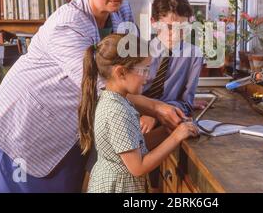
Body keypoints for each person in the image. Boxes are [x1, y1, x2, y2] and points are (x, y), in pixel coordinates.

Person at [0, 0, 183, 193]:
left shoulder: (121, 11)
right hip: (24, 125)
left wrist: (156, 106)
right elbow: (105, 87)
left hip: (70, 131)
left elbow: (132, 65)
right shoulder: (67, 25)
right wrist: (156, 107)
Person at [80, 34, 199, 193]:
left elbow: (135, 145)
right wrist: (176, 137)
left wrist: (167, 131)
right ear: (121, 72)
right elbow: (138, 167)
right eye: (144, 69)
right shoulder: (117, 111)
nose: (149, 76)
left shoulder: (118, 101)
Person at [140, 0, 204, 134]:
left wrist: (156, 114)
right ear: (154, 23)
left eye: (182, 28)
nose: (175, 34)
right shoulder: (139, 52)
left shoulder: (194, 55)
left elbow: (186, 103)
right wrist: (150, 111)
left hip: (167, 122)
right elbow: (127, 96)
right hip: (136, 120)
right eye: (169, 27)